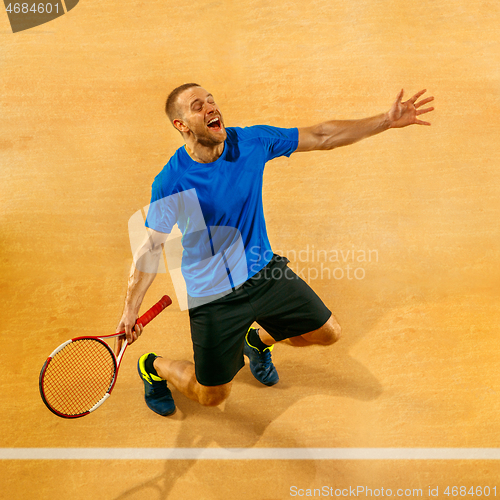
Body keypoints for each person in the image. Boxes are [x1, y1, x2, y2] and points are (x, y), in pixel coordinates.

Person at [116, 83, 434, 416]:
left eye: (212, 100)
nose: (211, 107)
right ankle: (154, 367)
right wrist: (129, 311)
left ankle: (257, 342)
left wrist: (386, 120)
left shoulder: (250, 143)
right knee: (212, 396)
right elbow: (151, 247)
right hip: (213, 295)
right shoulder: (172, 180)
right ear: (181, 125)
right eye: (198, 106)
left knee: (328, 333)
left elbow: (322, 136)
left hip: (263, 271)